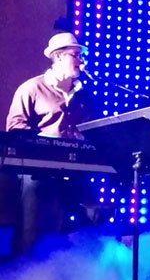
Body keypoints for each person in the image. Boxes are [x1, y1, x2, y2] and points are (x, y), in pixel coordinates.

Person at [5, 32, 97, 253]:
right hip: (38, 170)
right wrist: (46, 144)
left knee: (92, 215)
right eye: (75, 55)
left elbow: (93, 129)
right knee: (34, 215)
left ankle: (77, 263)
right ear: (58, 56)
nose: (81, 61)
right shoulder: (32, 88)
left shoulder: (84, 95)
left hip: (76, 168)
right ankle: (25, 263)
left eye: (81, 56)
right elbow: (15, 127)